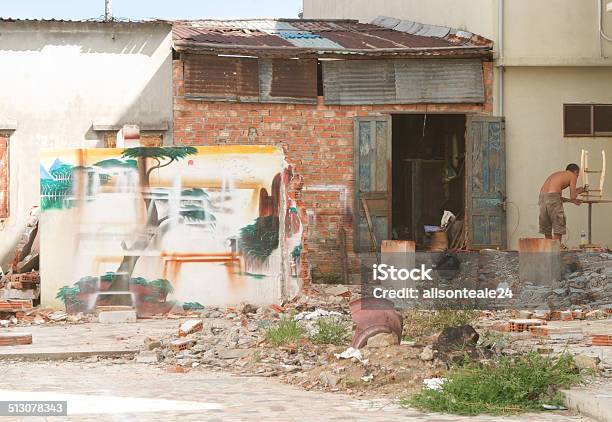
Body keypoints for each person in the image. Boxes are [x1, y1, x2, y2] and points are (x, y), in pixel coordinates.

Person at [539, 163, 587, 242]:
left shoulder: (558, 174)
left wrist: (571, 201)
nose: (577, 177)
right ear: (575, 172)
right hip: (552, 197)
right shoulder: (572, 175)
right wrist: (580, 190)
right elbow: (573, 195)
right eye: (578, 175)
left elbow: (553, 197)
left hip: (542, 197)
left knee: (546, 227)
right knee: (558, 224)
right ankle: (556, 249)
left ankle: (549, 249)